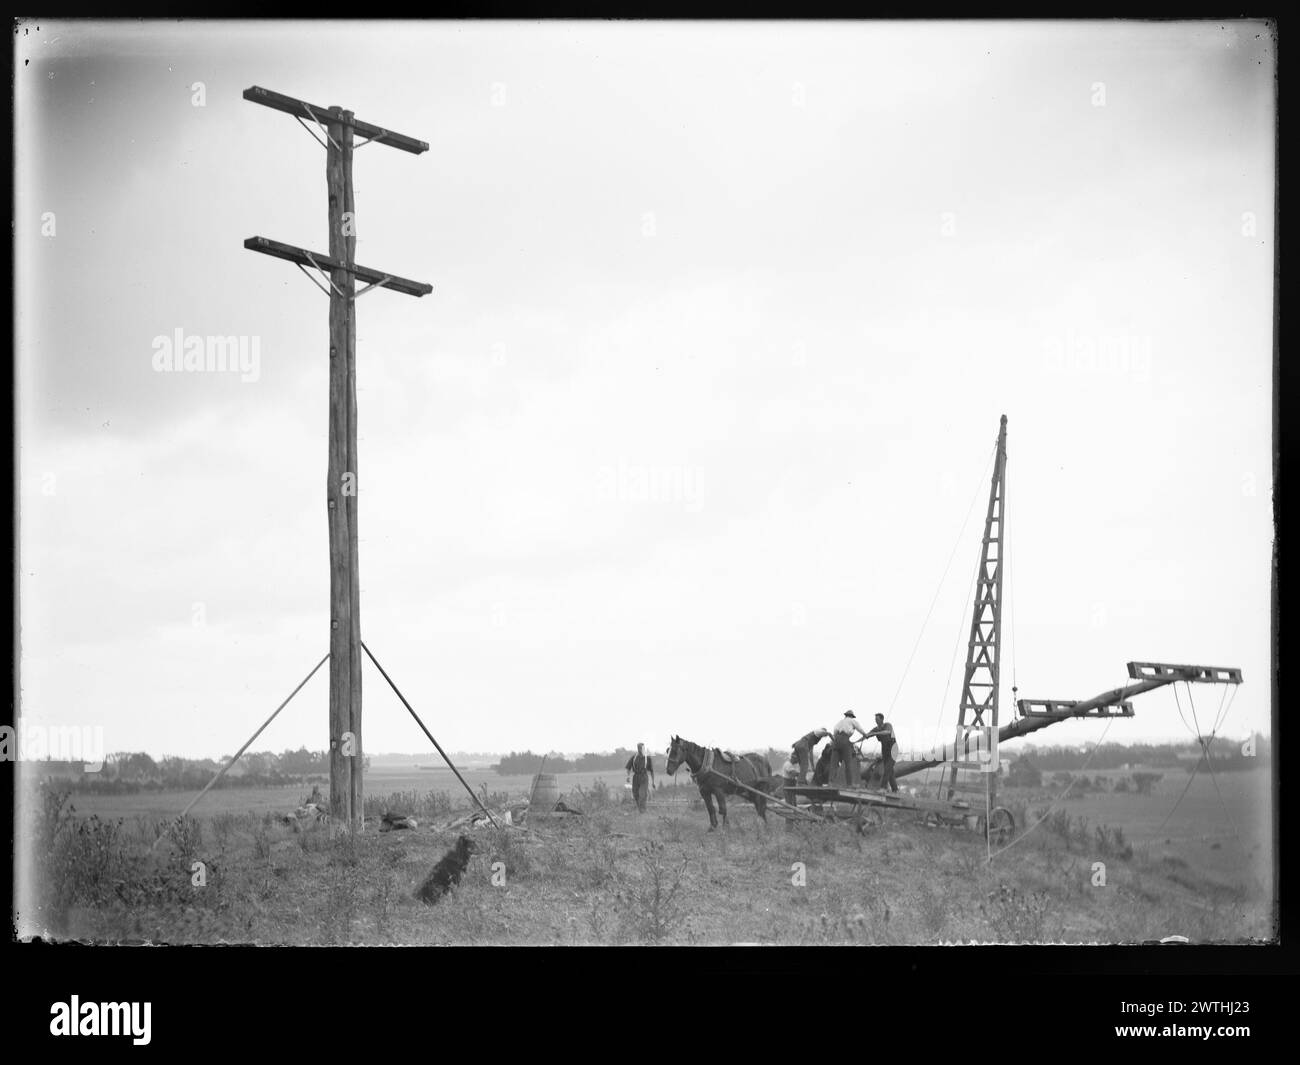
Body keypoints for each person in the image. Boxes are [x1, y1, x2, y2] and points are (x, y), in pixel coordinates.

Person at [830, 711, 869, 787]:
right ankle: (849, 784)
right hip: (845, 739)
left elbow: (835, 731)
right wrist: (865, 735)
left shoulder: (840, 722)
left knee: (834, 764)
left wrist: (837, 739)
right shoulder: (852, 721)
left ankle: (831, 782)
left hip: (836, 740)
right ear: (851, 716)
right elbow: (859, 728)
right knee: (848, 763)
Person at [863, 713, 899, 792]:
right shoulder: (876, 728)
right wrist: (864, 736)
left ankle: (883, 788)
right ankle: (895, 790)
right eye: (875, 719)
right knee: (890, 772)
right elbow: (868, 734)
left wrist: (875, 733)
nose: (876, 720)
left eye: (877, 719)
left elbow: (887, 732)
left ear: (882, 719)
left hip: (893, 749)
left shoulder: (887, 725)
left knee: (887, 769)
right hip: (885, 750)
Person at [625, 742, 655, 813]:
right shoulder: (634, 757)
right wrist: (628, 776)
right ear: (637, 749)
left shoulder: (647, 758)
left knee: (642, 794)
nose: (640, 749)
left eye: (642, 748)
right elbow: (628, 768)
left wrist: (653, 782)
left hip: (644, 777)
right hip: (635, 777)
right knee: (635, 794)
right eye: (639, 748)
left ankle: (643, 811)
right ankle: (640, 809)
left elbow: (651, 771)